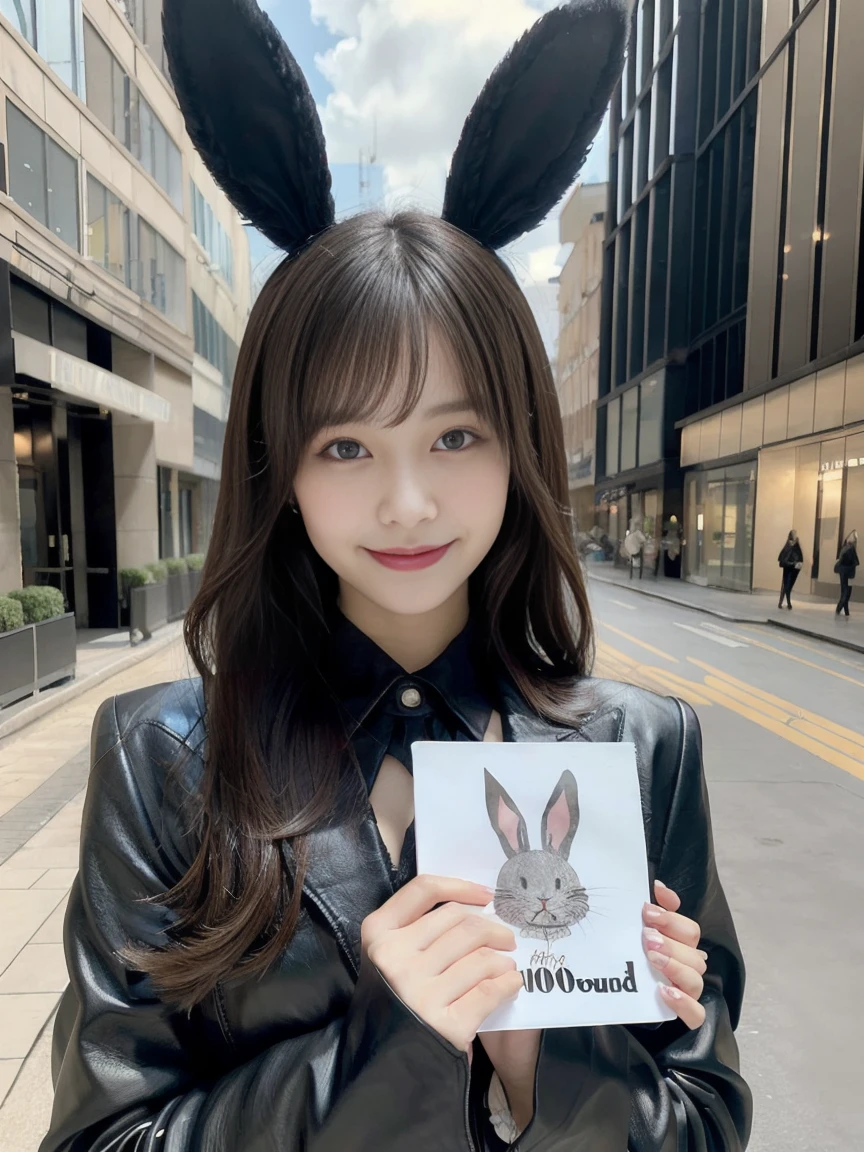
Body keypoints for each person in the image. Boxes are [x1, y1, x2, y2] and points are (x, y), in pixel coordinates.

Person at [40, 3, 752, 1150]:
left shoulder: (643, 750)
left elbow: (708, 1119)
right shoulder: (164, 758)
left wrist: (547, 1052)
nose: (409, 502)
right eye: (347, 447)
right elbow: (99, 1138)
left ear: (520, 443)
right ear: (282, 467)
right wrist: (391, 1045)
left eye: (456, 438)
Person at [777, 529, 804, 609]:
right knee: (786, 585)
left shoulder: (793, 545)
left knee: (787, 585)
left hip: (792, 567)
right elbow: (785, 555)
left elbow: (798, 555)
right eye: (795, 534)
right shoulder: (790, 545)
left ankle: (784, 602)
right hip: (789, 567)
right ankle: (785, 603)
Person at [836, 530, 860, 617]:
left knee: (844, 591)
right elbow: (854, 561)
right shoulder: (850, 549)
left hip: (843, 572)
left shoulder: (844, 548)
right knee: (847, 592)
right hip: (848, 572)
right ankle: (839, 609)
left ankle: (846, 611)